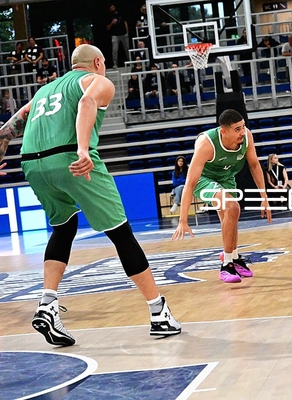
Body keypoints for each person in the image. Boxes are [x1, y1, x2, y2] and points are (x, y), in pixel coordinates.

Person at [0, 44, 181, 346]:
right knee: (121, 233)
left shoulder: (44, 91)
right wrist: (83, 149)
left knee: (64, 227)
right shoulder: (98, 81)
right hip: (70, 157)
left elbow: (10, 127)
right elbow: (86, 102)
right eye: (104, 63)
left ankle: (47, 305)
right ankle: (158, 312)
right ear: (97, 62)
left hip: (32, 164)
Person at [172, 109, 271, 283]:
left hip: (226, 177)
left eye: (243, 127)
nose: (242, 132)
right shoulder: (207, 143)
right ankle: (226, 265)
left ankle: (234, 257)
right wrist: (183, 220)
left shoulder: (247, 136)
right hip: (204, 179)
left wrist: (264, 197)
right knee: (232, 206)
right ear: (224, 131)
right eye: (237, 129)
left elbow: (255, 165)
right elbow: (190, 183)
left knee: (231, 215)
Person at [107, 3, 129, 68]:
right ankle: (115, 64)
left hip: (123, 34)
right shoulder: (109, 16)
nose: (112, 9)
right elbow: (108, 28)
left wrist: (127, 32)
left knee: (127, 49)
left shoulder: (121, 14)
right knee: (114, 50)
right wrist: (112, 23)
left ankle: (130, 62)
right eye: (111, 8)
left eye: (113, 7)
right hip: (115, 35)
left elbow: (125, 23)